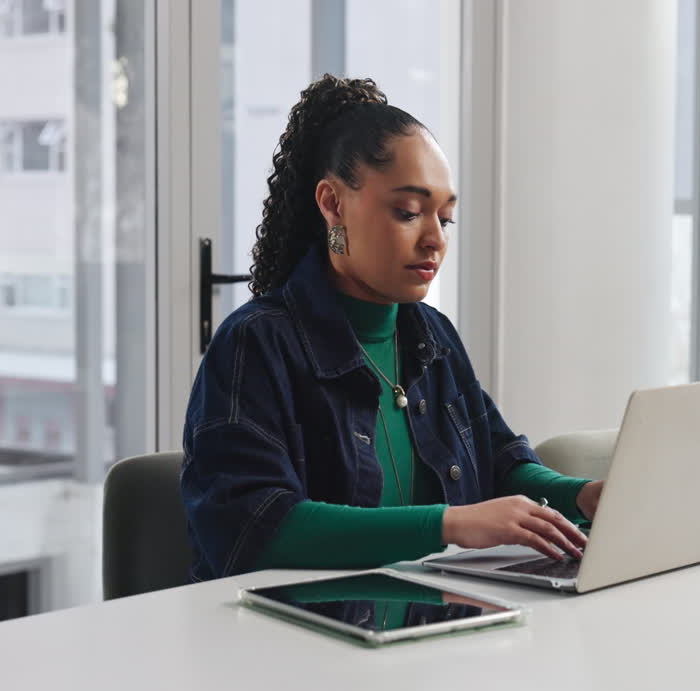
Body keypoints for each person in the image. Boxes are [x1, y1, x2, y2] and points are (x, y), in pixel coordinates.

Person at [181, 75, 604, 582]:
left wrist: (580, 494)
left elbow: (497, 459)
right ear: (333, 203)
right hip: (290, 640)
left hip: (428, 625)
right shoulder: (255, 343)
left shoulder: (434, 336)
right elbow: (253, 529)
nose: (433, 240)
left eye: (444, 219)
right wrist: (448, 524)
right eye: (408, 212)